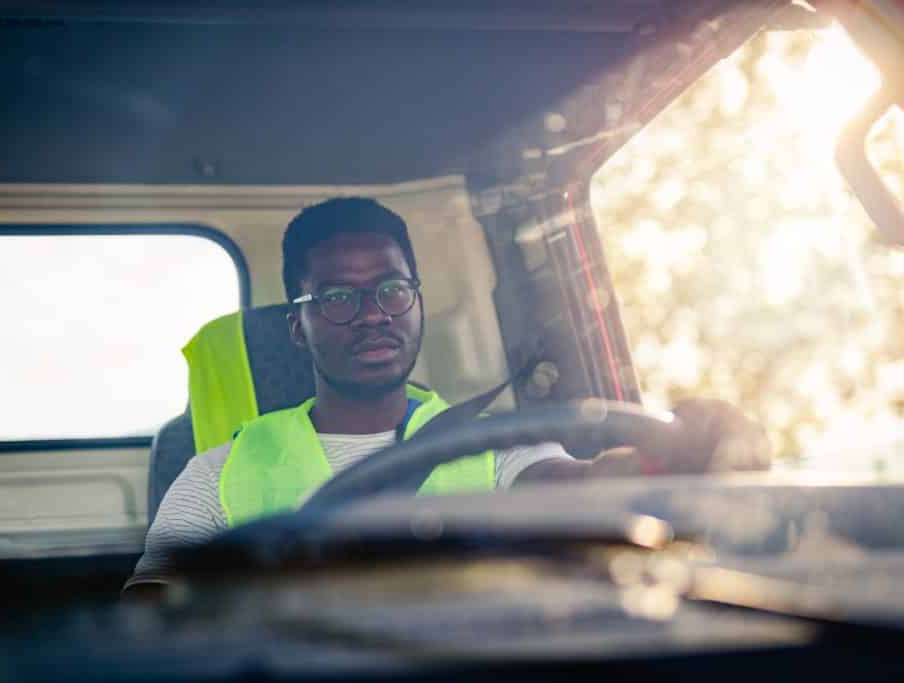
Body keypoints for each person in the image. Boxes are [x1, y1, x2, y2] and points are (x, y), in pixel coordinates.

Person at [123, 197, 769, 597]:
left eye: (392, 290)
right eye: (339, 298)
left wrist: (680, 455)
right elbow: (148, 620)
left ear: (417, 300)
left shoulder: (494, 446)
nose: (374, 314)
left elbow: (587, 484)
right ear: (299, 324)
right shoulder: (215, 474)